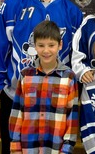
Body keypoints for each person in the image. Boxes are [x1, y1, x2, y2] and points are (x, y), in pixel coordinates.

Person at [0, 0, 83, 154]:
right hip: (17, 98)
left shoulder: (73, 12)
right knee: (15, 149)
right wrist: (0, 88)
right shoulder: (12, 5)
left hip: (57, 101)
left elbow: (77, 56)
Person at [9, 20, 79, 153]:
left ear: (60, 45)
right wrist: (15, 147)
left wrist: (67, 148)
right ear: (34, 46)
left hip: (56, 148)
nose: (46, 50)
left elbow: (72, 117)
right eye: (41, 45)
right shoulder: (25, 75)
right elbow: (17, 113)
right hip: (28, 148)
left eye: (51, 45)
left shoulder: (68, 77)